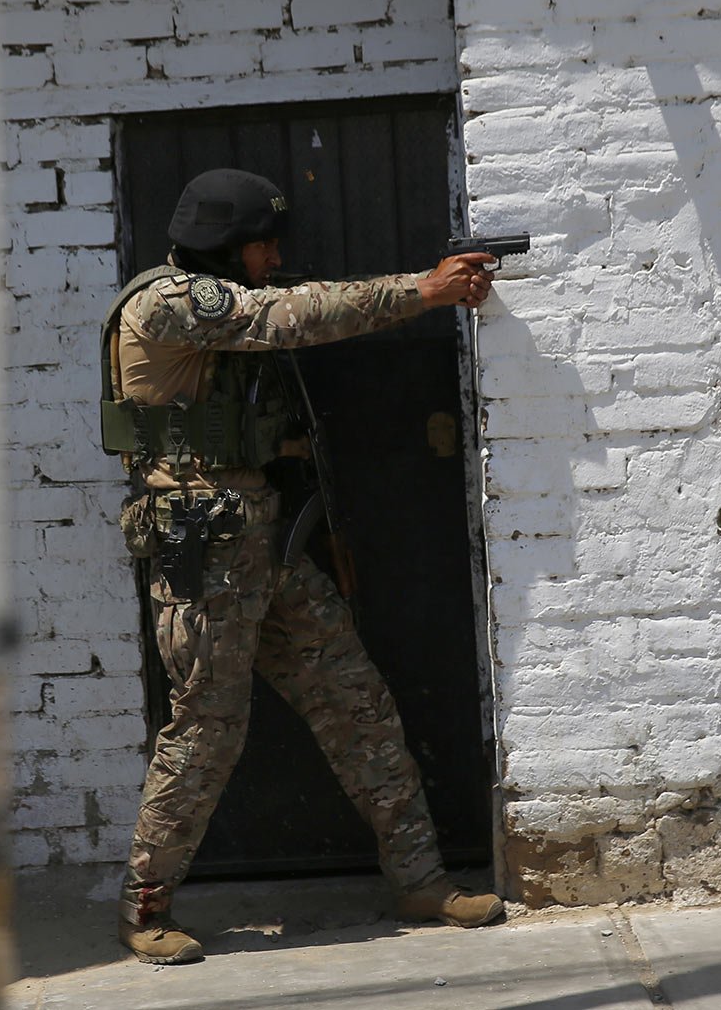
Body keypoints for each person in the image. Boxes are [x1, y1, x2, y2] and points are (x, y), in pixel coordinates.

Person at [99, 168, 504, 965]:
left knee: (355, 701)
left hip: (266, 545)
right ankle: (145, 908)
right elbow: (291, 317)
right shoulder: (171, 301)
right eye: (263, 243)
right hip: (204, 552)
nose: (274, 256)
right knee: (206, 731)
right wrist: (422, 291)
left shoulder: (219, 307)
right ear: (224, 245)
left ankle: (421, 880)